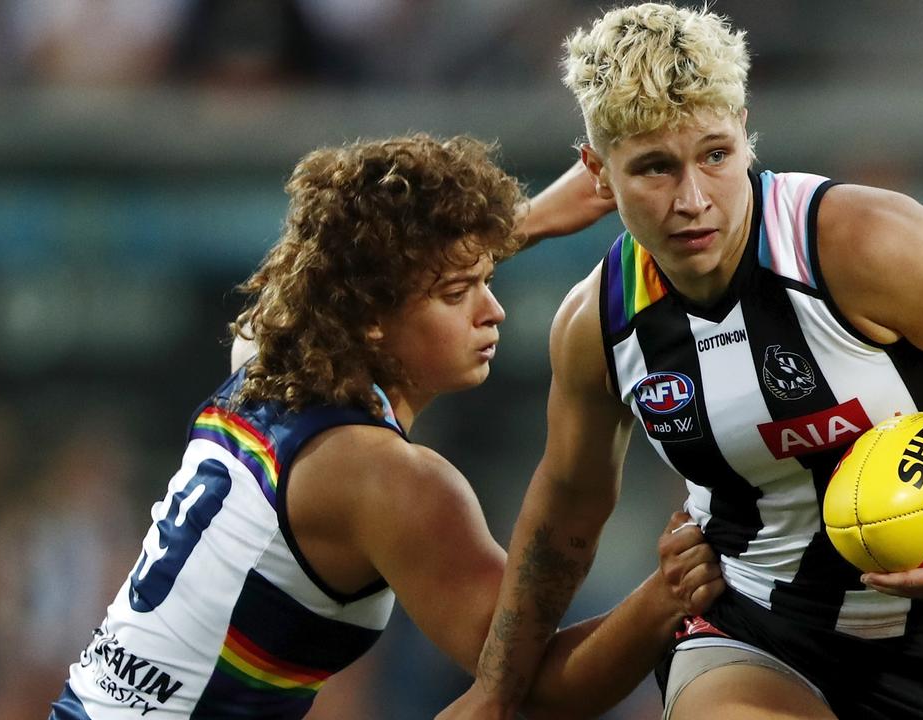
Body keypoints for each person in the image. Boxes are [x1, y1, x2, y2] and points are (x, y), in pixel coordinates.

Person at [451, 4, 923, 719]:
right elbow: (566, 512)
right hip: (753, 627)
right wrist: (494, 691)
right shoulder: (598, 325)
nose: (693, 200)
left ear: (745, 136)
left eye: (715, 155)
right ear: (597, 174)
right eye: (654, 169)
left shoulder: (860, 243)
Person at [47, 133, 724, 719]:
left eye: (486, 279)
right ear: (371, 316)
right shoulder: (391, 482)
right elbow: (537, 686)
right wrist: (663, 596)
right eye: (460, 294)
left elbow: (336, 283)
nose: (494, 313)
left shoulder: (261, 359)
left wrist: (520, 224)